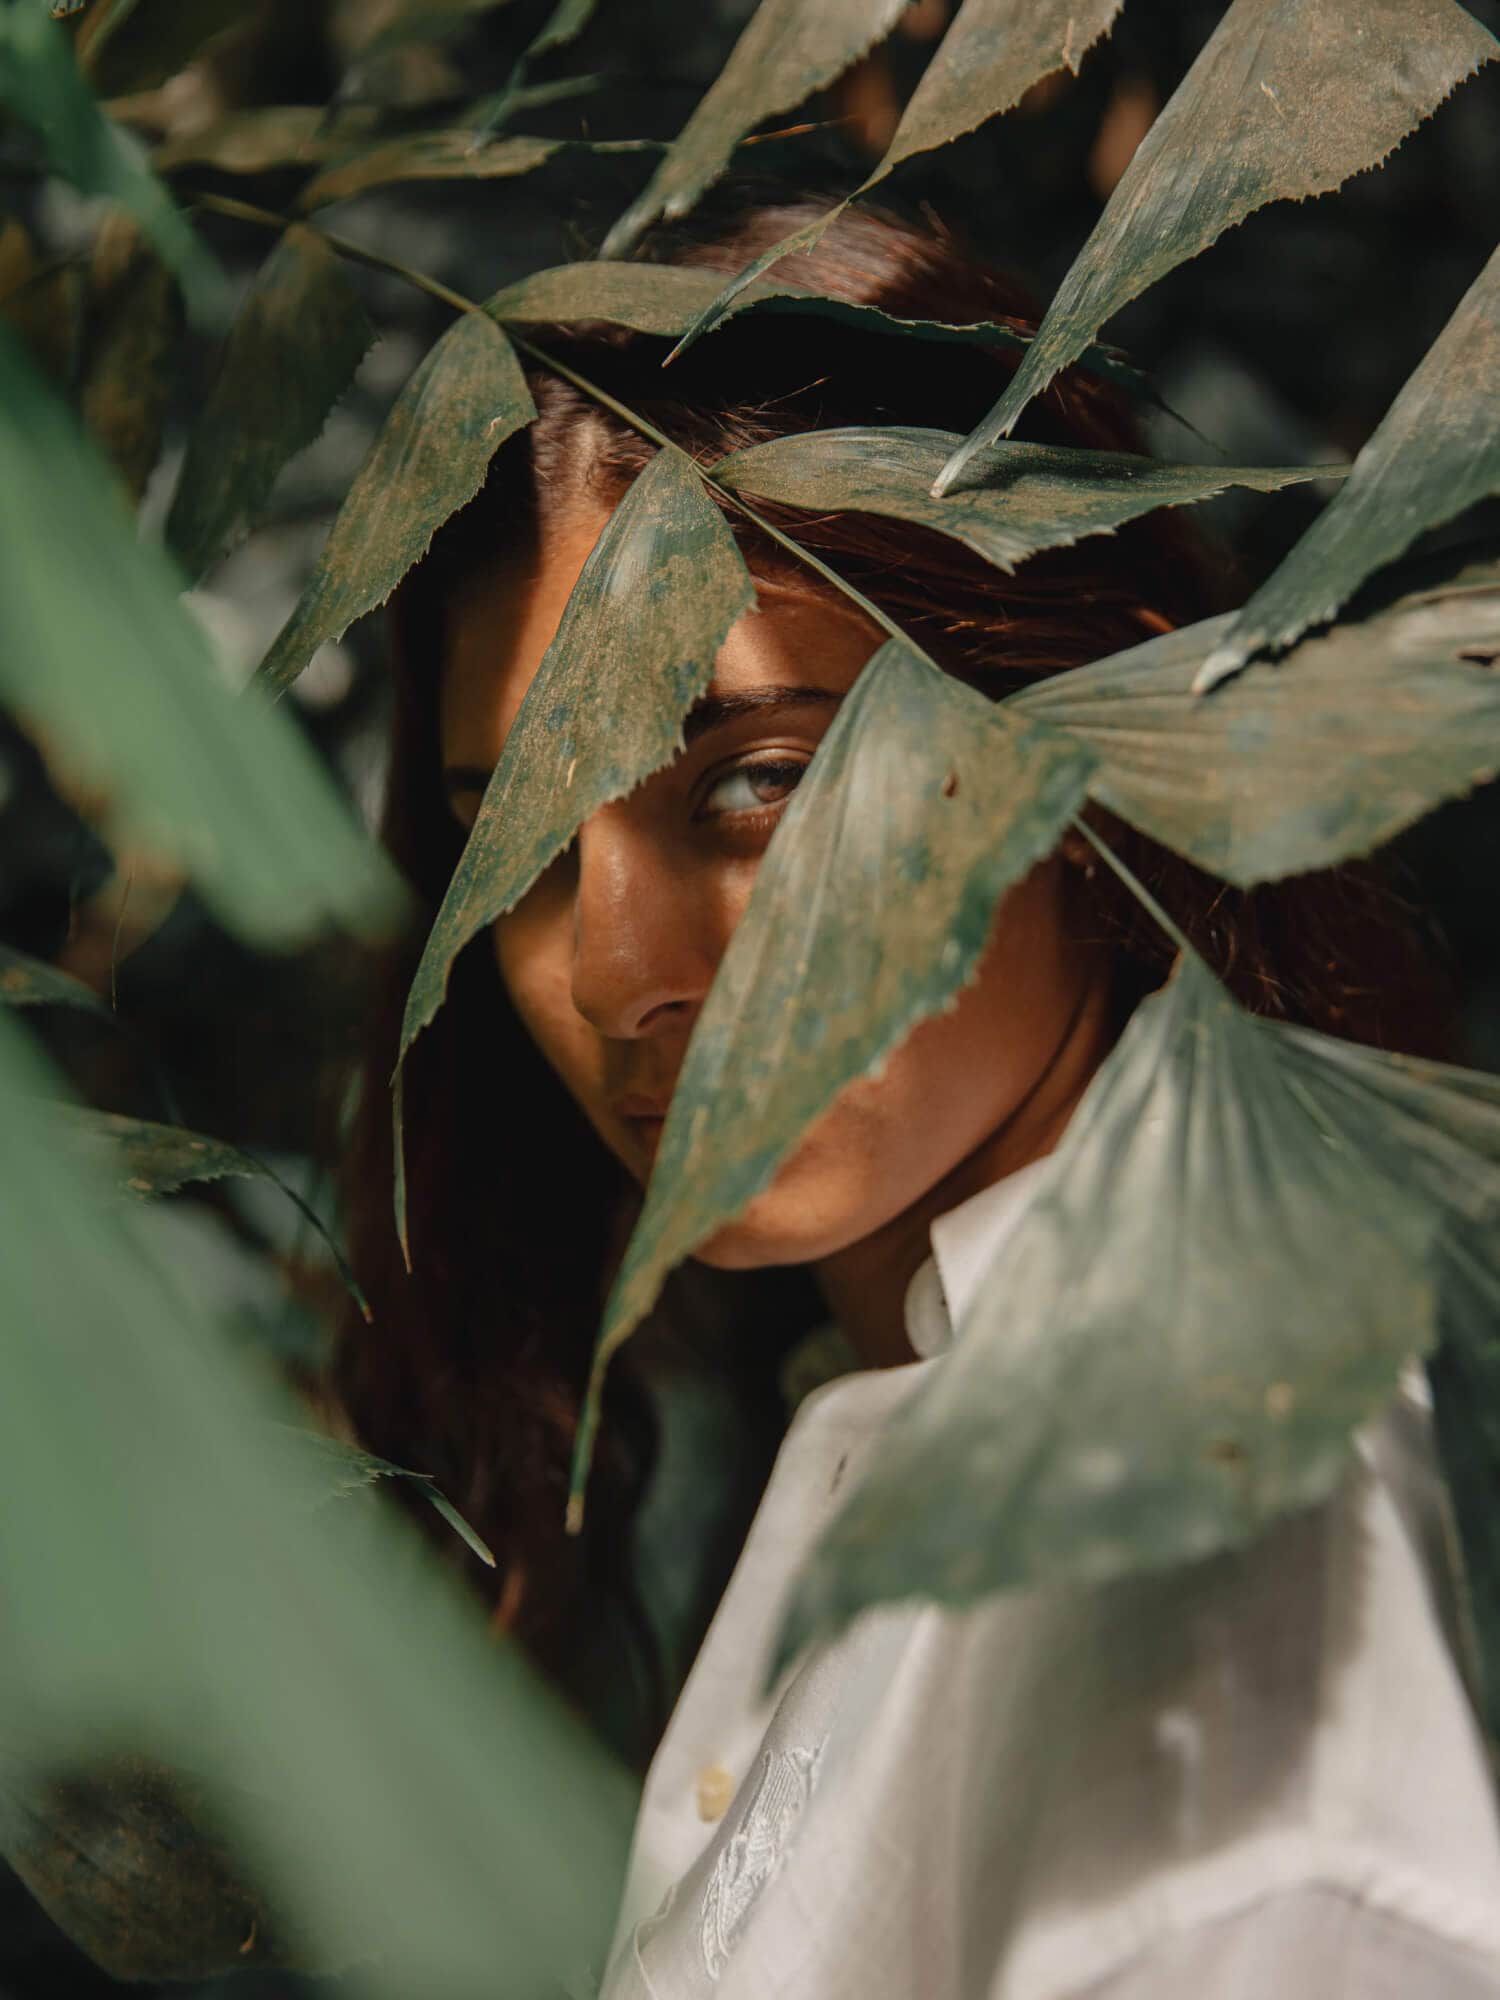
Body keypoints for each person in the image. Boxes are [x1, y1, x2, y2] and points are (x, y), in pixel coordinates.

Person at [334, 195, 1500, 1997]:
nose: (611, 964)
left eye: (753, 782)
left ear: (1081, 730)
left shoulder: (1200, 1505)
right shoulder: (893, 1432)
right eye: (517, 844)